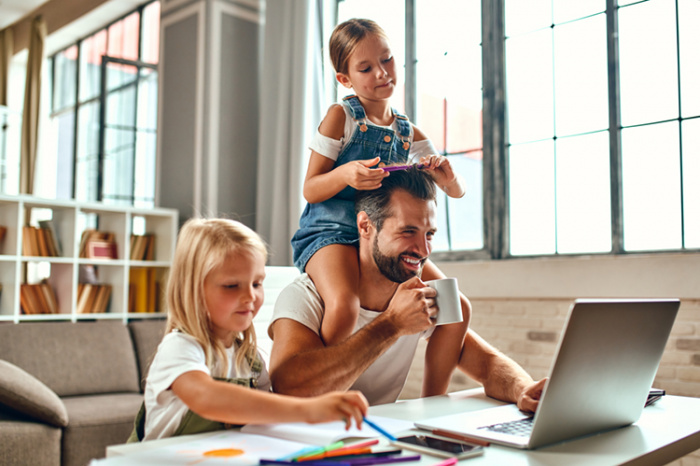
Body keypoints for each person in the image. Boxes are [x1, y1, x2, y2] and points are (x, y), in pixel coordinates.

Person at [270, 168, 546, 410]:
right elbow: (290, 389)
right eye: (407, 231)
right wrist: (392, 325)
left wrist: (522, 389)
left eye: (429, 234)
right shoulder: (306, 296)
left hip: (384, 444)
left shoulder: (417, 296)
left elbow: (485, 364)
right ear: (365, 226)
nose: (424, 250)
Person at [291, 18, 468, 351]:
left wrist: (449, 179)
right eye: (366, 68)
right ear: (345, 79)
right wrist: (345, 175)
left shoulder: (408, 132)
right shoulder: (339, 117)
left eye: (386, 60)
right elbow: (310, 189)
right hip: (331, 231)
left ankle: (432, 399)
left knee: (454, 306)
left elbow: (456, 191)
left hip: (382, 237)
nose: (382, 73)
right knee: (344, 306)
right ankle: (325, 394)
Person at [128, 218, 368, 442]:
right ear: (193, 291)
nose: (250, 296)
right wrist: (309, 410)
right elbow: (207, 397)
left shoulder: (250, 359)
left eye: (257, 283)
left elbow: (266, 414)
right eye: (232, 286)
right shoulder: (180, 347)